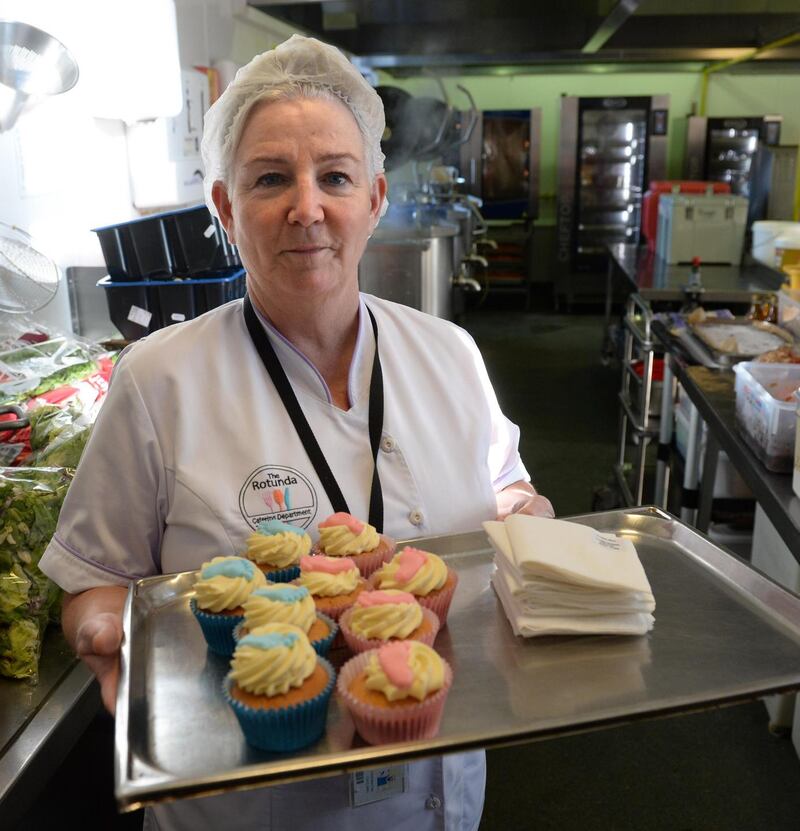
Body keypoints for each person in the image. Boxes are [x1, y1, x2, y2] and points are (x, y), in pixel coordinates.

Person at [40, 34, 554, 831]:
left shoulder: (449, 354)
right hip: (247, 805)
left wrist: (532, 523)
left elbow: (506, 488)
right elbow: (95, 576)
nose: (307, 207)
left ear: (375, 198)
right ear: (225, 208)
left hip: (442, 792)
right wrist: (103, 626)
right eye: (271, 178)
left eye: (336, 177)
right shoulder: (158, 379)